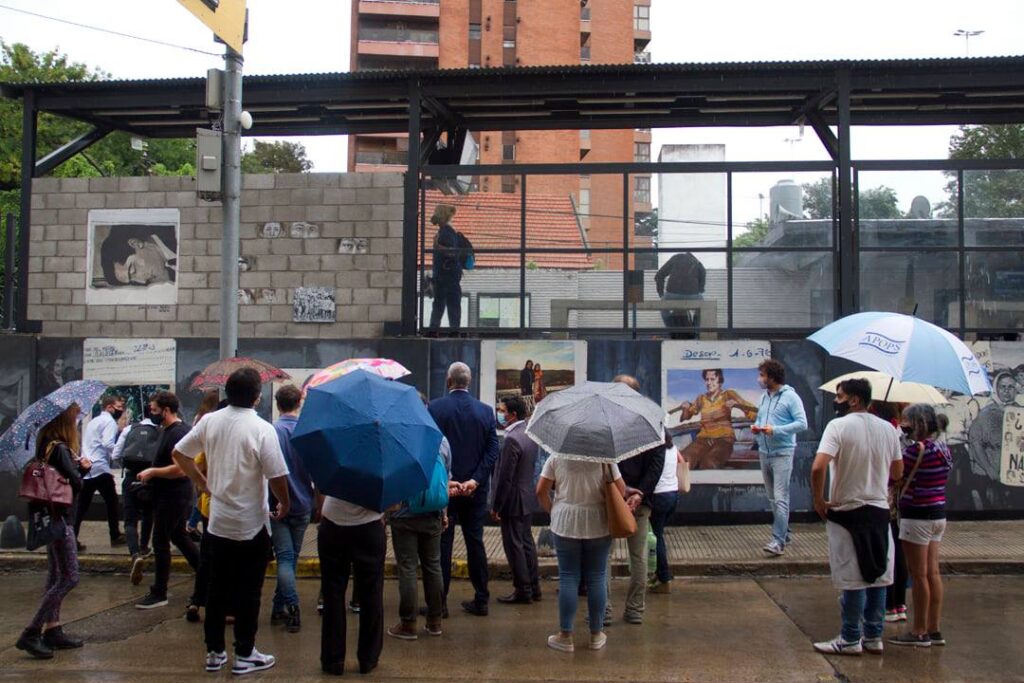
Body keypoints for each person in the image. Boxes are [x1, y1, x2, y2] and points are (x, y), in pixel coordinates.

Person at [172, 368, 291, 675]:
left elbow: (180, 454)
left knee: (217, 588)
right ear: (257, 396)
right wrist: (285, 503)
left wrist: (201, 481)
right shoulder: (263, 429)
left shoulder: (210, 420)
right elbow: (277, 476)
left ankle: (214, 652)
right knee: (249, 590)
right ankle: (245, 653)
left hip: (217, 522)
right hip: (251, 523)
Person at [811, 378, 903, 656]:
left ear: (853, 399)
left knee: (851, 578)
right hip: (878, 511)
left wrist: (818, 500)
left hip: (845, 510)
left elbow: (818, 468)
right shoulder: (888, 429)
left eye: (839, 396)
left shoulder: (837, 426)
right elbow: (897, 473)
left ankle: (850, 638)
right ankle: (873, 636)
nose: (835, 401)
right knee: (878, 574)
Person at [15, 404, 90, 659]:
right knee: (69, 577)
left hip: (50, 518)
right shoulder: (60, 449)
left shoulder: (46, 445)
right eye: (75, 418)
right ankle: (32, 631)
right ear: (66, 422)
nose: (77, 422)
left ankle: (53, 628)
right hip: (62, 521)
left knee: (55, 574)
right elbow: (77, 484)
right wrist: (83, 468)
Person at [428, 362, 500, 616]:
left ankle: (440, 604)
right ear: (469, 382)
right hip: (474, 491)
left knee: (443, 544)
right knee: (475, 542)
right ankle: (481, 599)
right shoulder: (485, 412)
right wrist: (476, 480)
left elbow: (430, 447)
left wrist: (449, 480)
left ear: (449, 382)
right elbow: (493, 450)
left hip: (444, 488)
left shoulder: (436, 408)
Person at [536, 452, 624, 653]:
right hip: (598, 521)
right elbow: (620, 489)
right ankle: (596, 635)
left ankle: (566, 636)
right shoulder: (605, 458)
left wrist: (554, 511)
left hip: (565, 521)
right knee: (597, 576)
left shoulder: (556, 457)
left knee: (568, 577)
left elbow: (540, 491)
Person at [387, 393, 453, 641]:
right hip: (433, 513)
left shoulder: (397, 438)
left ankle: (408, 624)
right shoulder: (441, 440)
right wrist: (444, 512)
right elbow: (445, 478)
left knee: (407, 568)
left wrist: (387, 513)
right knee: (433, 566)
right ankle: (435, 622)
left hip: (404, 514)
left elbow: (391, 478)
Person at [889, 403, 952, 648]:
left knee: (918, 575)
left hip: (916, 516)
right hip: (938, 513)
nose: (903, 425)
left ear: (916, 424)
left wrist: (898, 443)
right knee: (933, 573)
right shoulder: (943, 448)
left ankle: (918, 631)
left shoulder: (917, 451)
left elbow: (895, 474)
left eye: (906, 421)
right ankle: (934, 629)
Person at [135, 391, 200, 611]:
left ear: (166, 409)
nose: (151, 414)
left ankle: (159, 592)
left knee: (160, 541)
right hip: (169, 494)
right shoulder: (168, 430)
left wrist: (153, 472)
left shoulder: (178, 433)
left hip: (175, 495)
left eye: (154, 410)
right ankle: (206, 576)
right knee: (179, 536)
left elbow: (181, 470)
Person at [610, 374, 665, 625]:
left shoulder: (609, 418)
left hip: (612, 497)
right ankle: (634, 610)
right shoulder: (653, 419)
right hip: (638, 500)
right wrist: (640, 493)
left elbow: (606, 460)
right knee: (639, 557)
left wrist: (624, 491)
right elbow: (657, 464)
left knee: (603, 557)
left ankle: (604, 610)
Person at [317, 491, 386, 675]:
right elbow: (393, 503)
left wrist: (320, 512)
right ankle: (368, 658)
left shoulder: (336, 461)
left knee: (332, 594)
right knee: (371, 593)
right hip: (369, 526)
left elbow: (320, 487)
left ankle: (333, 659)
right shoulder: (379, 463)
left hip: (333, 523)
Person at [270, 385, 317, 634]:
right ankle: (288, 605)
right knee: (290, 558)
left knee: (284, 558)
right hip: (303, 504)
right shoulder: (307, 432)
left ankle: (282, 606)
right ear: (299, 402)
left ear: (278, 404)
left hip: (277, 504)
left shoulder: (272, 432)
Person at [751, 359, 808, 556]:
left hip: (782, 453)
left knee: (781, 497)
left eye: (762, 375)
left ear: (772, 377)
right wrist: (757, 428)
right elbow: (760, 418)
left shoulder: (791, 397)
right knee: (772, 497)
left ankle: (778, 541)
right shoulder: (764, 397)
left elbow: (802, 423)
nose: (760, 379)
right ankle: (785, 532)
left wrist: (775, 430)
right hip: (764, 452)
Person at [491, 395, 542, 605]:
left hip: (513, 501)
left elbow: (505, 478)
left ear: (512, 415)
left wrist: (496, 505)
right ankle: (534, 586)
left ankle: (522, 589)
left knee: (514, 546)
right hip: (527, 497)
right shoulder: (528, 434)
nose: (499, 414)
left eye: (502, 410)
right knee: (527, 543)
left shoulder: (512, 439)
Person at [184, 389, 223, 623]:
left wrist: (202, 484)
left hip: (210, 506)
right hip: (228, 508)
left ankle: (197, 601)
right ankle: (223, 607)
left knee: (208, 557)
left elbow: (186, 457)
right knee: (225, 560)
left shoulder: (207, 428)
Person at [74, 394, 127, 552]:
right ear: (109, 407)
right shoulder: (109, 421)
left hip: (87, 467)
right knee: (112, 502)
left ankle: (72, 537)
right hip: (100, 467)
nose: (121, 410)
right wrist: (121, 453)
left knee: (82, 505)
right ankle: (115, 535)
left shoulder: (94, 421)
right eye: (118, 407)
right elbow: (108, 443)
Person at [112, 413, 157, 585]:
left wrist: (125, 467)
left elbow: (116, 454)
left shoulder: (130, 429)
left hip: (130, 478)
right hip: (149, 478)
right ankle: (144, 547)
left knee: (130, 520)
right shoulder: (158, 431)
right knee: (147, 514)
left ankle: (134, 554)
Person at [648, 443, 680, 594]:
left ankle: (664, 578)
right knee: (657, 534)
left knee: (656, 536)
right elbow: (681, 460)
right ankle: (658, 574)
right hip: (673, 494)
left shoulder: (654, 448)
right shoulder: (672, 446)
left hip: (659, 496)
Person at [100, 226, 177, 287]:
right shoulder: (168, 275)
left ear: (135, 243)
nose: (143, 280)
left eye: (134, 270)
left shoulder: (176, 233)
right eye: (133, 280)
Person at [428, 204, 463, 330]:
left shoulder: (446, 233)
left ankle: (435, 330)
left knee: (441, 305)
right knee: (448, 305)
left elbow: (453, 252)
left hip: (447, 277)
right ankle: (451, 331)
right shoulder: (445, 232)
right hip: (447, 276)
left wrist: (438, 247)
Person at [654, 251, 706, 333]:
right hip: (692, 295)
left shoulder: (676, 258)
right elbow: (702, 280)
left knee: (663, 307)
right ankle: (695, 330)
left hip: (672, 294)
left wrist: (661, 294)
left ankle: (671, 329)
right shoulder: (697, 262)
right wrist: (698, 290)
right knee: (703, 305)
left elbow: (659, 275)